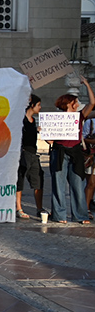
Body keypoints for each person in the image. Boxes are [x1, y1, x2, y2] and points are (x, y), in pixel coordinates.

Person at [50, 77, 95, 224]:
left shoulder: (79, 116)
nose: (77, 104)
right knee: (59, 184)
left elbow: (92, 103)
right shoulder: (56, 118)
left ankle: (81, 215)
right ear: (69, 103)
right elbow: (50, 138)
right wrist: (44, 134)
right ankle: (59, 215)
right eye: (75, 102)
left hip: (75, 153)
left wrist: (87, 84)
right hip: (59, 152)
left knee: (78, 185)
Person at [16, 94, 44, 218]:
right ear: (32, 105)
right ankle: (19, 208)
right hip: (23, 153)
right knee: (20, 180)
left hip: (34, 153)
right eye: (38, 105)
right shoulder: (21, 120)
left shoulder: (34, 121)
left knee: (38, 180)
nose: (40, 107)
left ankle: (39, 208)